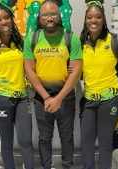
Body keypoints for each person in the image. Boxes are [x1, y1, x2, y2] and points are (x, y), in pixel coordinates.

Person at [23, 0, 83, 168]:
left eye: (53, 14)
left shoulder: (71, 38)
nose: (49, 18)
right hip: (42, 99)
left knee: (67, 138)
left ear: (59, 15)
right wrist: (47, 97)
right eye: (45, 15)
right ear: (40, 17)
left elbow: (76, 72)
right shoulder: (32, 38)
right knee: (44, 138)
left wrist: (58, 99)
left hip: (66, 98)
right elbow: (30, 71)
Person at [78, 0, 118, 168]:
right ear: (85, 19)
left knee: (106, 142)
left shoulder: (115, 41)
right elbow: (78, 73)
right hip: (89, 99)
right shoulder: (80, 44)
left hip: (111, 100)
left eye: (98, 17)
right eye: (90, 17)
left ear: (103, 18)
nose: (94, 20)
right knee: (86, 142)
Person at [0, 1, 34, 169]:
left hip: (22, 98)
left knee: (26, 141)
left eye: (6, 18)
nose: (4, 22)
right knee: (7, 143)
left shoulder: (20, 42)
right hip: (1, 98)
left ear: (12, 19)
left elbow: (33, 64)